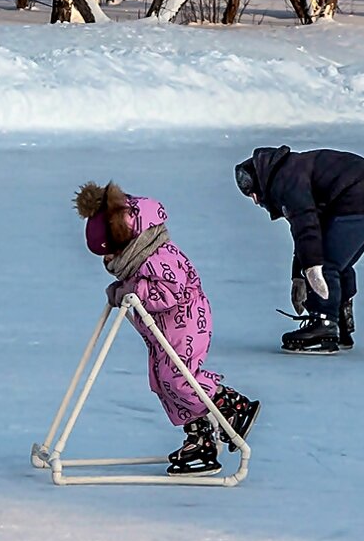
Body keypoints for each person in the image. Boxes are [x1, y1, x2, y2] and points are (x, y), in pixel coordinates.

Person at [75, 181, 260, 476]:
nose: (107, 262)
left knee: (180, 379)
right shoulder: (140, 257)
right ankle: (199, 437)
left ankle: (231, 403)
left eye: (108, 254)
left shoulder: (159, 256)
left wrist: (129, 292)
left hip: (186, 323)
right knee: (164, 381)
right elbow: (139, 287)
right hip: (163, 331)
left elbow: (169, 292)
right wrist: (123, 290)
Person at [235, 145, 364, 354]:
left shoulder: (286, 181)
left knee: (326, 263)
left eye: (250, 189)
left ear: (260, 177)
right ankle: (340, 322)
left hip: (360, 197)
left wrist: (310, 268)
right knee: (338, 261)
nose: (255, 199)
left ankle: (324, 326)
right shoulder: (289, 171)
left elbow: (306, 226)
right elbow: (307, 233)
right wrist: (299, 276)